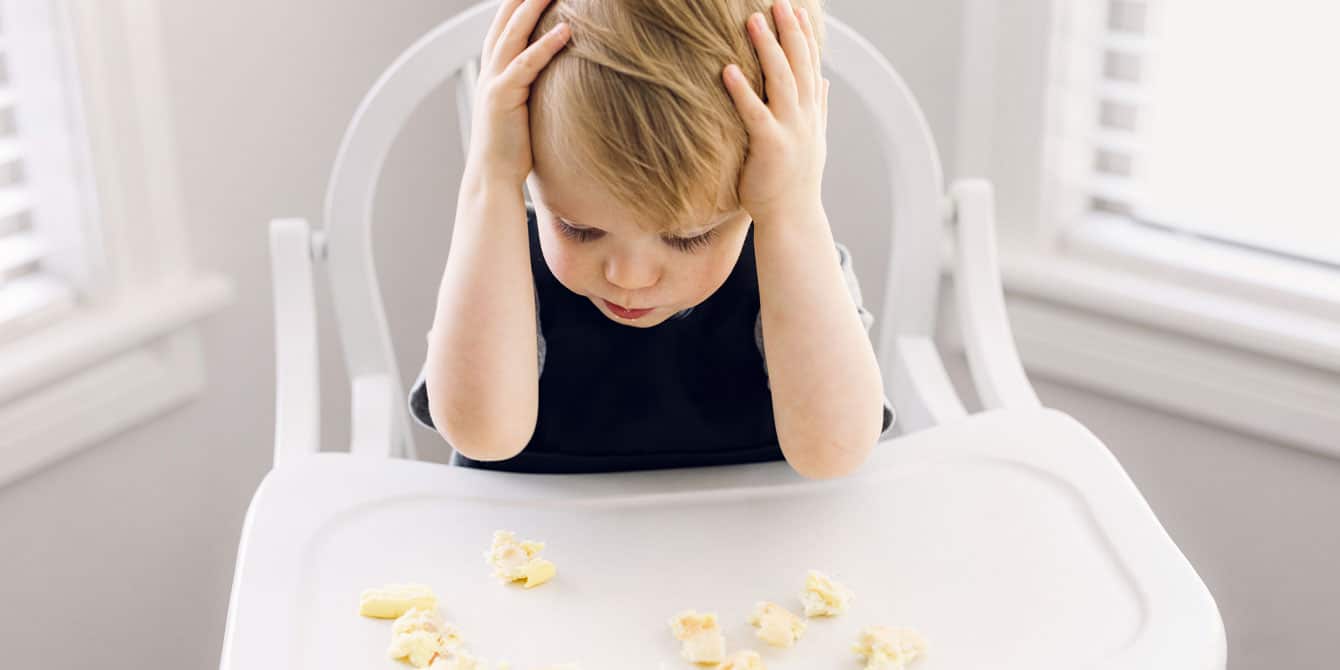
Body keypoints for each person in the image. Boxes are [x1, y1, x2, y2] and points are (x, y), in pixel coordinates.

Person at [410, 0, 893, 477]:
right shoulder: (498, 261)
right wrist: (490, 178)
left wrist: (794, 209)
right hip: (546, 543)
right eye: (579, 229)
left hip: (746, 545)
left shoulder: (795, 258)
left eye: (688, 238)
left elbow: (835, 454)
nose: (629, 277)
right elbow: (482, 436)